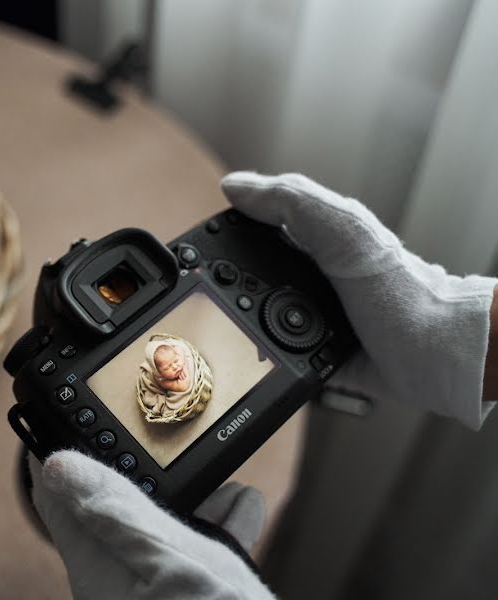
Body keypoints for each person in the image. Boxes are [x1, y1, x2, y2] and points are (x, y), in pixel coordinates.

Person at [28, 172, 498, 599]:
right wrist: (460, 332)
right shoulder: (152, 413)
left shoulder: (203, 390)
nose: (172, 370)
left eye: (177, 359)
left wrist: (451, 327)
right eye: (163, 364)